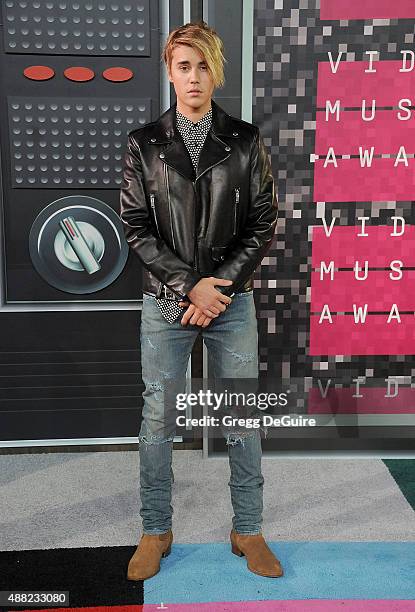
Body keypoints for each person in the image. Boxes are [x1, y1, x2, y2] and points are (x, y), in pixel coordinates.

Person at [119, 21, 282, 580]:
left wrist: (220, 288)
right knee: (158, 419)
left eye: (203, 65)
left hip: (230, 301)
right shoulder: (144, 144)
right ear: (169, 72)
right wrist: (189, 284)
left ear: (217, 70)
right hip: (167, 302)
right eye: (183, 66)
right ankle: (155, 530)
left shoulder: (245, 140)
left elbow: (263, 224)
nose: (193, 77)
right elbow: (135, 225)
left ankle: (249, 529)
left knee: (242, 417)